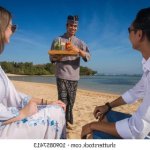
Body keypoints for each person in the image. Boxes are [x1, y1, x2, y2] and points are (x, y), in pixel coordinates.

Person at [81, 7, 150, 139]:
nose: (128, 34)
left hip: (144, 133)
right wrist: (108, 106)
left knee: (96, 135)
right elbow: (134, 93)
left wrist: (91, 125)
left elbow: (137, 130)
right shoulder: (147, 65)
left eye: (129, 30)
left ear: (139, 34)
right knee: (106, 116)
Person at [0, 6, 66, 139]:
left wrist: (48, 102)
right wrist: (22, 114)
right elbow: (52, 59)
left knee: (56, 108)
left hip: (7, 116)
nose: (13, 31)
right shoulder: (58, 40)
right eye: (12, 27)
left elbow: (16, 97)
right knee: (56, 113)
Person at [50, 15, 91, 129]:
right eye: (71, 25)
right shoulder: (57, 40)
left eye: (75, 26)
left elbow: (88, 57)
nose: (73, 28)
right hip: (61, 74)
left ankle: (67, 120)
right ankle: (63, 122)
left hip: (74, 76)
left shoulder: (80, 42)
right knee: (63, 100)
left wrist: (77, 50)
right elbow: (52, 58)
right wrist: (57, 56)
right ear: (67, 26)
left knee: (71, 102)